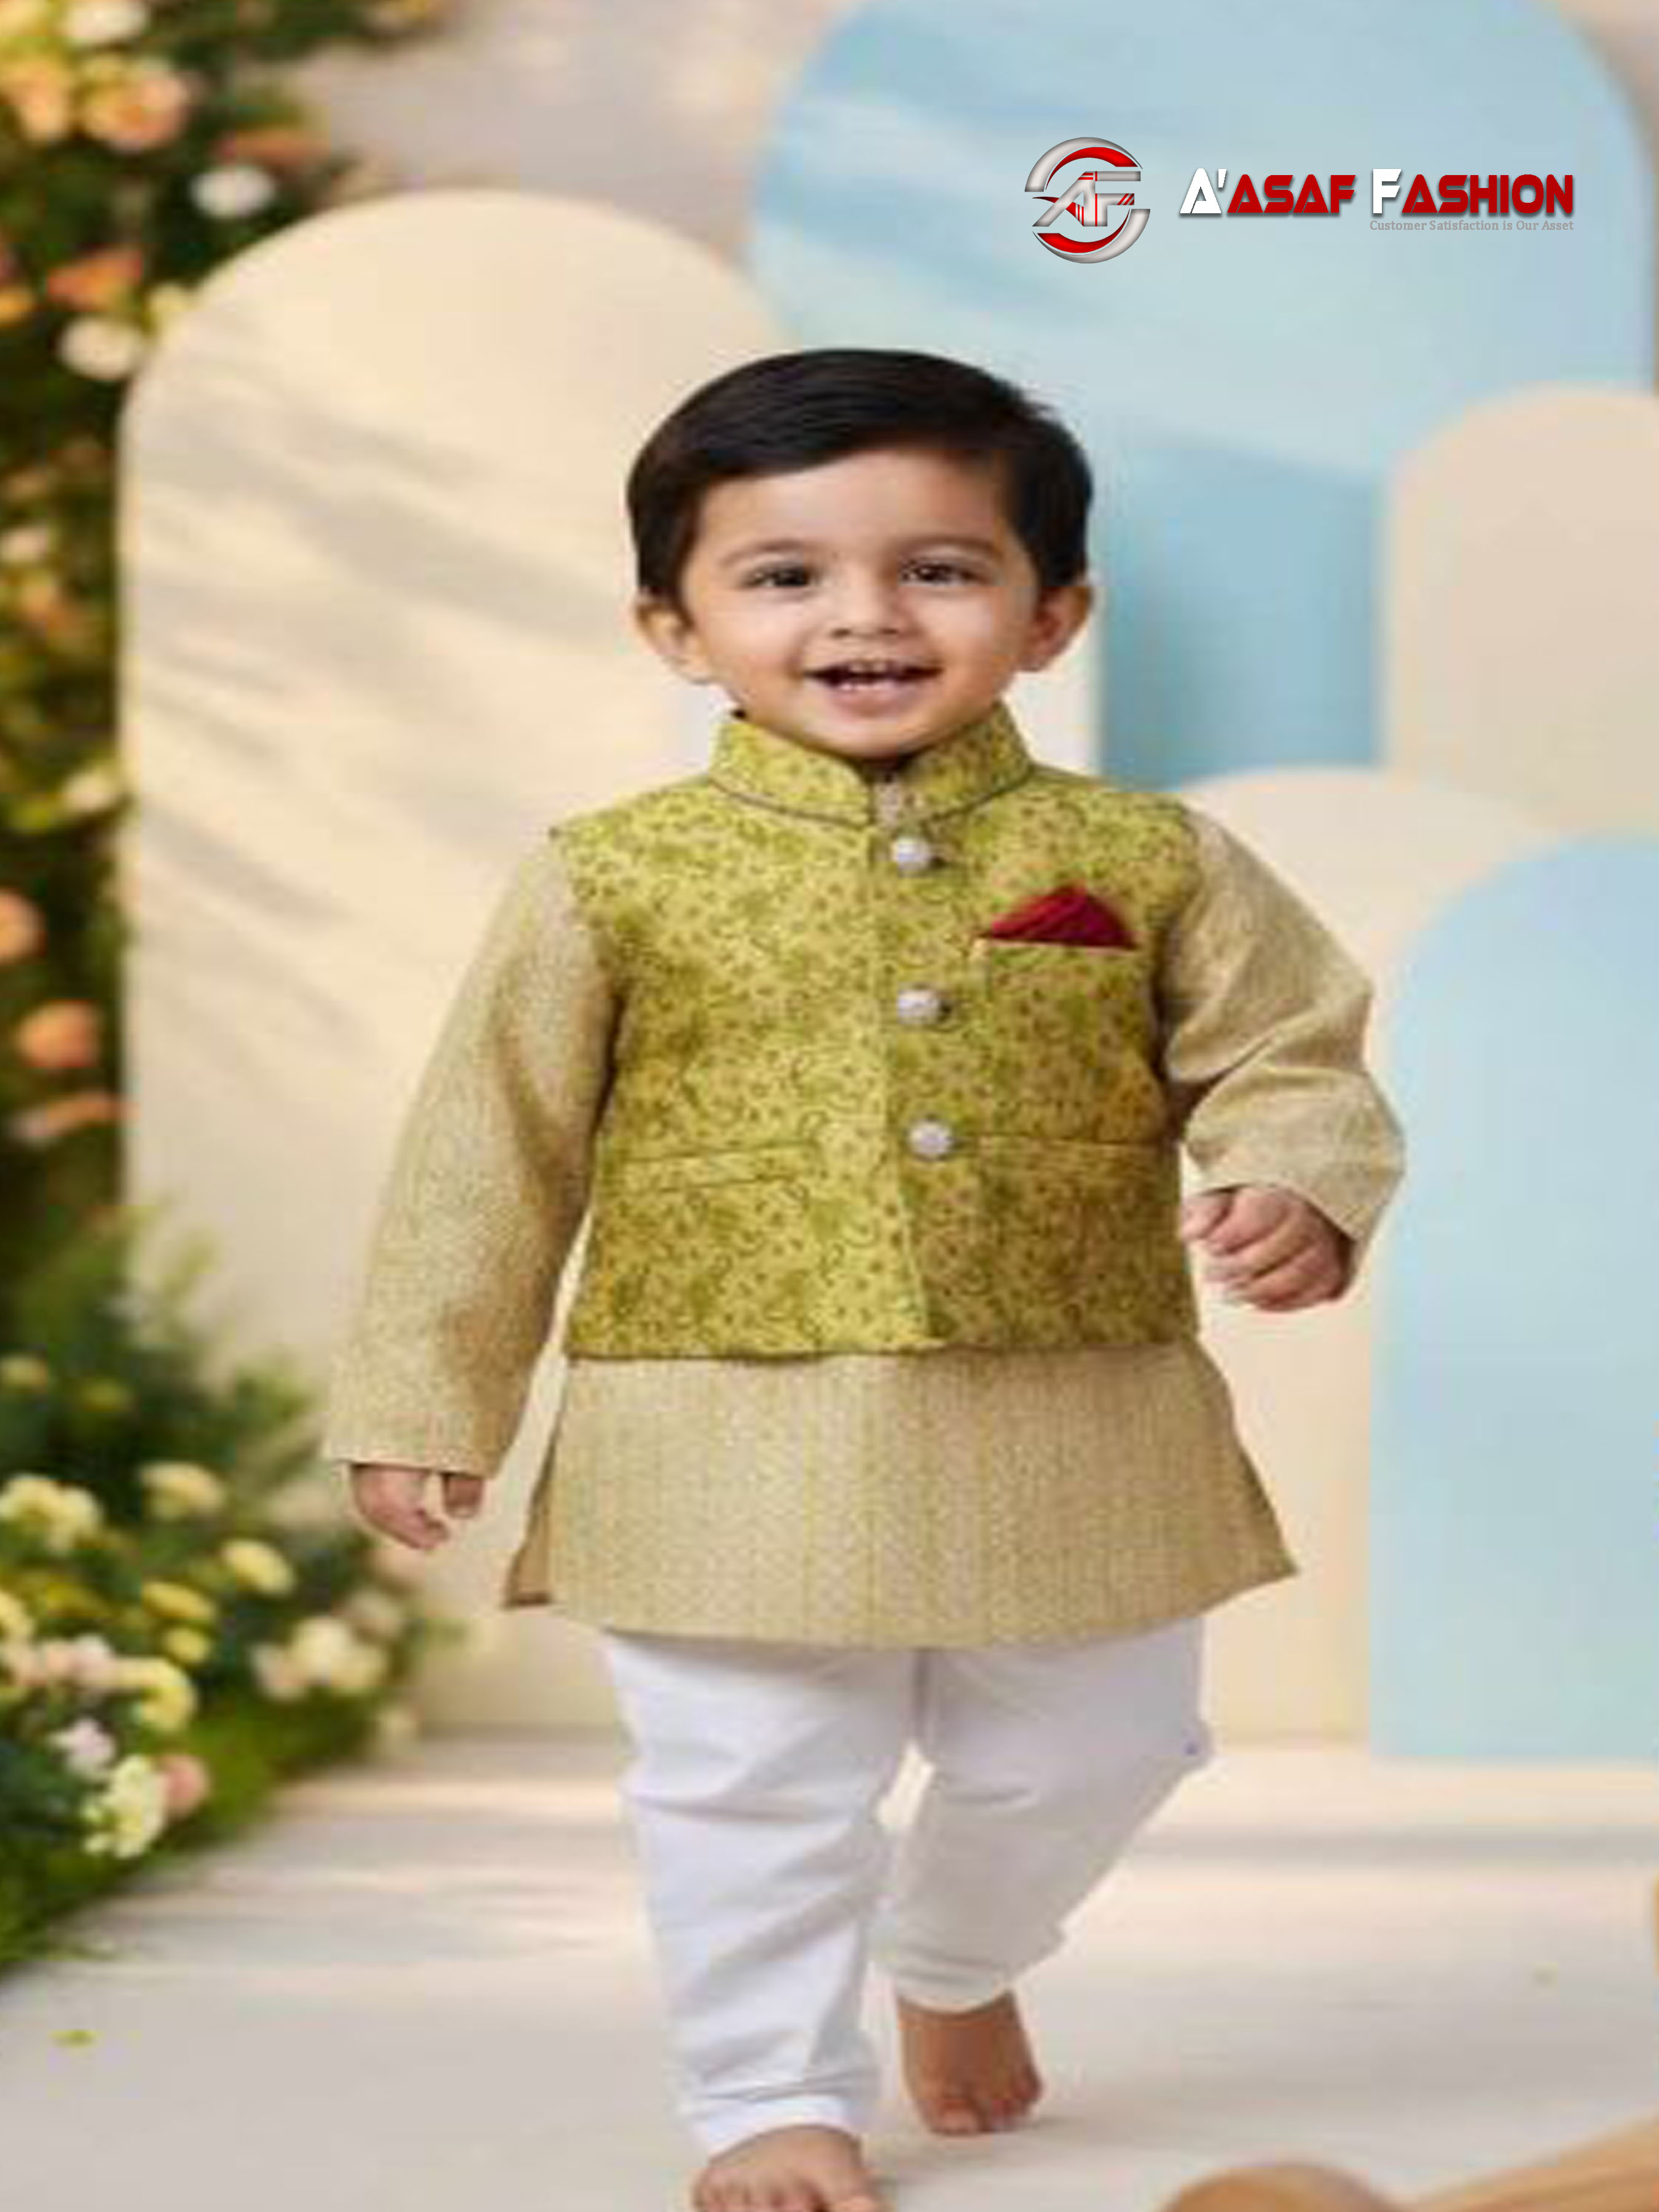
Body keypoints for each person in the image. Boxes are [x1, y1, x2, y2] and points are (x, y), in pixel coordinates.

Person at [323, 347, 1406, 2212]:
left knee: (1104, 1743)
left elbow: (1287, 1052)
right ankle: (767, 2095)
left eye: (938, 568)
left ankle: (956, 1958)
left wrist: (1294, 1181)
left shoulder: (1143, 857)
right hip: (712, 1419)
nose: (865, 617)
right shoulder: (610, 878)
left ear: (1050, 615)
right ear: (675, 629)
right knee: (748, 1782)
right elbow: (489, 1151)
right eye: (785, 575)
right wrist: (431, 1396)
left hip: (1072, 1403)